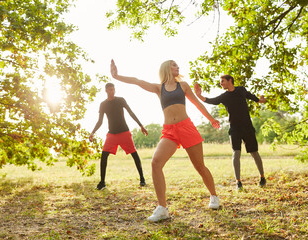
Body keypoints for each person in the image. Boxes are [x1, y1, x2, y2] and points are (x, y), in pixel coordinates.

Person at [110, 59, 221, 223]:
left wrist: (211, 119)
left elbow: (196, 103)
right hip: (169, 131)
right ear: (166, 68)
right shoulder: (159, 88)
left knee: (199, 166)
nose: (178, 66)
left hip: (186, 127)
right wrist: (117, 76)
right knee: (155, 163)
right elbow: (137, 81)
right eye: (174, 64)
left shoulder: (183, 85)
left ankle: (214, 196)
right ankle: (162, 208)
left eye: (177, 65)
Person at [194, 75, 267, 191]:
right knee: (236, 154)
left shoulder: (241, 90)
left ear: (230, 81)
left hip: (247, 128)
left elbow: (252, 97)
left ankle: (262, 177)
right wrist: (199, 96)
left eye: (222, 81)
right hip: (234, 129)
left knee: (254, 153)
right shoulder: (225, 96)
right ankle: (238, 182)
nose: (221, 83)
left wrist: (261, 100)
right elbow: (212, 101)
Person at [89, 82, 148, 190]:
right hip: (112, 134)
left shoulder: (121, 100)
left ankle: (142, 178)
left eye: (113, 89)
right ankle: (102, 182)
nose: (112, 91)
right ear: (106, 91)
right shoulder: (103, 104)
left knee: (134, 154)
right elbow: (100, 121)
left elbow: (131, 112)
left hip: (124, 132)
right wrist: (92, 132)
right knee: (104, 156)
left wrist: (141, 125)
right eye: (110, 89)